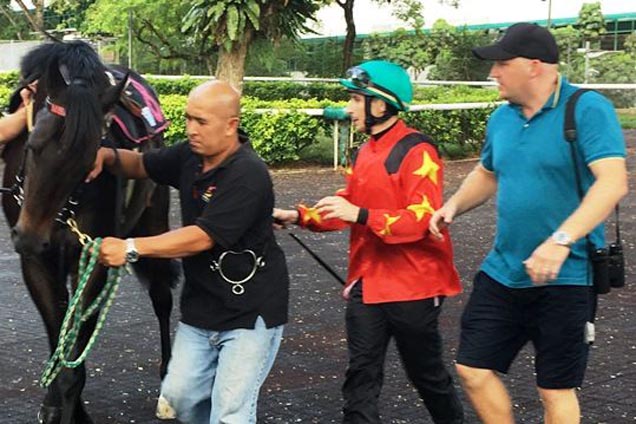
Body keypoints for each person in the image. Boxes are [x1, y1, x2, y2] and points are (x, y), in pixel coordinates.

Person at [429, 23, 628, 424]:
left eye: (502, 64)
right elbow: (487, 173)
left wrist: (560, 240)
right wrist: (453, 205)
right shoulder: (502, 119)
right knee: (472, 368)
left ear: (534, 66)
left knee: (555, 389)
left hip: (568, 276)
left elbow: (613, 183)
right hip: (504, 271)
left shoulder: (588, 109)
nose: (493, 74)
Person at [274, 60, 464, 424]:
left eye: (354, 99)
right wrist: (300, 216)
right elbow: (346, 204)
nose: (348, 108)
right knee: (361, 375)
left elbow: (422, 220)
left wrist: (361, 215)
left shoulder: (418, 151)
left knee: (427, 377)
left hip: (413, 289)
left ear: (380, 105)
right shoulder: (364, 151)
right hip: (368, 286)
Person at [91, 80, 290, 424]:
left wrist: (131, 247)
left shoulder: (248, 174)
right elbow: (140, 165)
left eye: (201, 122)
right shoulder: (190, 156)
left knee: (230, 411)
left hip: (249, 314)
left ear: (231, 125)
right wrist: (106, 155)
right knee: (179, 401)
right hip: (201, 308)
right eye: (187, 119)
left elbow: (201, 237)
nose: (191, 130)